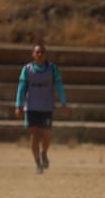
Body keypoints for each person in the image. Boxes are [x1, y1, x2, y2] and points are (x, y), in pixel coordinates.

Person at [14, 43, 68, 174]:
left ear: (45, 54)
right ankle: (38, 163)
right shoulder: (27, 69)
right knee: (34, 135)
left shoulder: (52, 69)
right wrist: (18, 105)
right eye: (37, 52)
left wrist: (64, 103)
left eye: (42, 52)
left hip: (46, 107)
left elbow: (59, 86)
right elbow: (21, 88)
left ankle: (44, 152)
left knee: (47, 135)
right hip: (31, 107)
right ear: (33, 54)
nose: (39, 55)